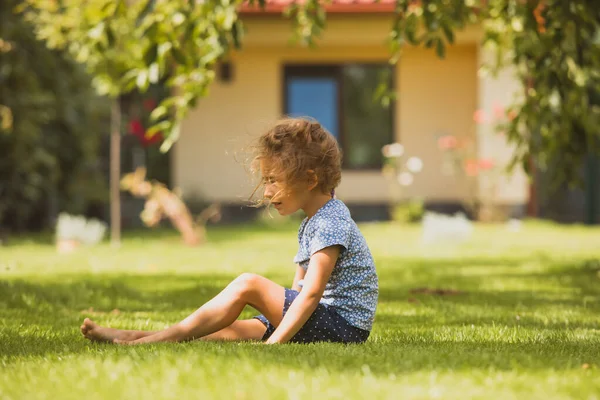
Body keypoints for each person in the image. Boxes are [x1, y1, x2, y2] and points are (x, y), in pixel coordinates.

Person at [80, 117, 379, 345]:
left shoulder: (330, 221)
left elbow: (312, 293)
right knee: (231, 330)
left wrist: (276, 342)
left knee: (247, 284)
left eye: (273, 180)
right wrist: (277, 321)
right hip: (324, 321)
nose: (267, 193)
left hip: (341, 328)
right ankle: (134, 337)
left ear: (310, 179)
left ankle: (150, 341)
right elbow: (298, 288)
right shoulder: (315, 220)